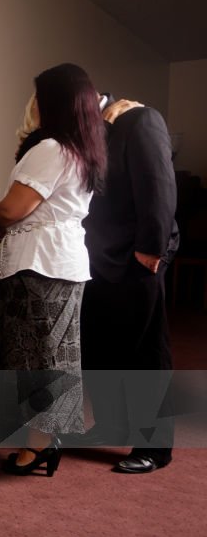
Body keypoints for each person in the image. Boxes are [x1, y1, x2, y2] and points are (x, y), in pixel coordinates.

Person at [0, 63, 107, 477]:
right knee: (54, 355)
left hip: (41, 264)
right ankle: (43, 440)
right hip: (62, 261)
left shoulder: (52, 148)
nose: (31, 104)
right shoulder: (81, 146)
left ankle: (40, 446)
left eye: (36, 96)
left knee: (36, 357)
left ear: (52, 102)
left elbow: (14, 208)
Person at [74, 96, 179, 473]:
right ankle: (111, 423)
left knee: (145, 351)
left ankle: (155, 446)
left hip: (138, 258)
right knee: (100, 345)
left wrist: (151, 249)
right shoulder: (86, 130)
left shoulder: (140, 120)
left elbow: (159, 185)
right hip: (95, 257)